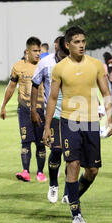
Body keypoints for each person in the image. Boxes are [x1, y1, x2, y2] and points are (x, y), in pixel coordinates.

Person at [43, 26, 112, 223]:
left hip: (91, 122)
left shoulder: (96, 65)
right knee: (72, 165)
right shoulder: (59, 68)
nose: (81, 45)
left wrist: (109, 119)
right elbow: (53, 97)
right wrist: (48, 126)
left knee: (92, 171)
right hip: (69, 121)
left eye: (83, 41)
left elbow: (106, 93)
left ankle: (72, 195)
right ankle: (76, 212)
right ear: (67, 45)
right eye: (76, 42)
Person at [0, 37, 46, 182]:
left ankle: (40, 172)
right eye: (35, 51)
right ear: (27, 51)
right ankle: (25, 171)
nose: (38, 53)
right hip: (24, 110)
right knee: (25, 141)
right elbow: (11, 87)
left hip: (40, 110)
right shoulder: (18, 66)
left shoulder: (44, 66)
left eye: (39, 51)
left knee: (40, 143)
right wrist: (3, 105)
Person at [31, 36, 69, 203]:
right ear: (57, 48)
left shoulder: (76, 63)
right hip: (53, 114)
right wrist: (33, 109)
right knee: (57, 149)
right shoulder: (46, 63)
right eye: (63, 52)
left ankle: (69, 191)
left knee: (72, 156)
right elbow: (35, 84)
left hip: (74, 115)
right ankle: (53, 185)